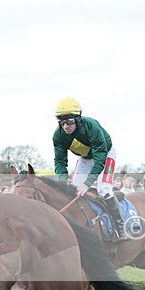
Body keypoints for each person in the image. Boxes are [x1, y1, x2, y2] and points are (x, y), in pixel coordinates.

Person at [52, 97, 126, 239]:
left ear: (78, 119)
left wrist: (87, 184)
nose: (65, 126)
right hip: (86, 157)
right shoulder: (58, 135)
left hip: (105, 154)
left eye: (70, 121)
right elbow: (60, 162)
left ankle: (120, 226)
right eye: (62, 122)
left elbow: (100, 160)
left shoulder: (91, 126)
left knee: (103, 189)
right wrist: (62, 183)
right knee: (72, 190)